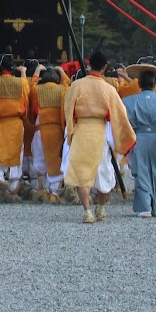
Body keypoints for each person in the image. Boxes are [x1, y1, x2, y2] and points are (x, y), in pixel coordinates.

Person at [63, 51, 137, 224]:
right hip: (100, 131)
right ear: (105, 67)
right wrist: (124, 136)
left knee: (81, 173)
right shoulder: (109, 89)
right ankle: (101, 208)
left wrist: (70, 129)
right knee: (104, 171)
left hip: (81, 130)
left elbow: (68, 110)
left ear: (89, 65)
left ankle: (87, 211)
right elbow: (120, 114)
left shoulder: (76, 85)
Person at [121, 70, 156, 217]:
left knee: (141, 172)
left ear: (139, 84)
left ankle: (145, 207)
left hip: (139, 137)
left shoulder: (130, 101)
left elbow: (126, 123)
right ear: (154, 84)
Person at [0, 54, 30, 200]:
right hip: (16, 123)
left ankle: (0, 180)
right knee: (17, 154)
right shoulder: (21, 83)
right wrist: (23, 72)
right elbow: (27, 97)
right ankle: (13, 187)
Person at [29, 67, 68, 202]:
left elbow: (31, 85)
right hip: (56, 131)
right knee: (55, 163)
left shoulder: (36, 90)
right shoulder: (63, 89)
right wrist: (62, 71)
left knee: (41, 161)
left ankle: (44, 189)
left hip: (40, 130)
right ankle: (54, 193)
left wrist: (37, 70)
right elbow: (68, 83)